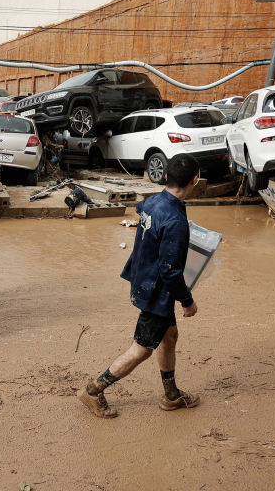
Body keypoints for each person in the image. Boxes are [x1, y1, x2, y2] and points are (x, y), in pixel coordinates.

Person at [78, 154, 201, 418]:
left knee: (169, 337)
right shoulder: (175, 221)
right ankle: (93, 390)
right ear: (195, 180)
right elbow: (171, 272)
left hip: (142, 279)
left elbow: (142, 210)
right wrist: (187, 301)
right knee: (141, 350)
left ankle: (171, 396)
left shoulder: (153, 202)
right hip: (157, 292)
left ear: (166, 176)